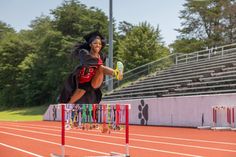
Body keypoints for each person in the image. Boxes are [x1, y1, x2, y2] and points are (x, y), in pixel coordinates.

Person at [58, 31, 123, 104]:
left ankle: (116, 73)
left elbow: (101, 68)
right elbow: (88, 62)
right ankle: (67, 106)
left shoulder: (102, 55)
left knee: (101, 68)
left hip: (94, 81)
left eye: (100, 44)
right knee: (75, 97)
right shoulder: (84, 52)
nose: (98, 45)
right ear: (90, 45)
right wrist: (98, 62)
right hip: (84, 81)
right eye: (95, 43)